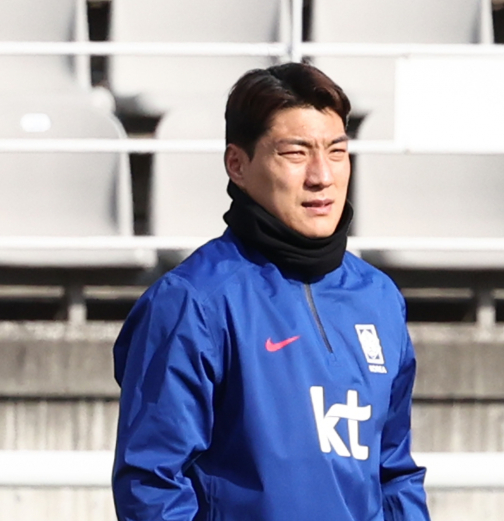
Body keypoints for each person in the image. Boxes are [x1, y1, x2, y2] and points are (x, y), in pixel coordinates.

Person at [112, 62, 431, 521]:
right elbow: (152, 485)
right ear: (237, 165)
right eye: (296, 153)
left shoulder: (378, 298)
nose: (321, 176)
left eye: (337, 152)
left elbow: (393, 472)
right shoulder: (192, 303)